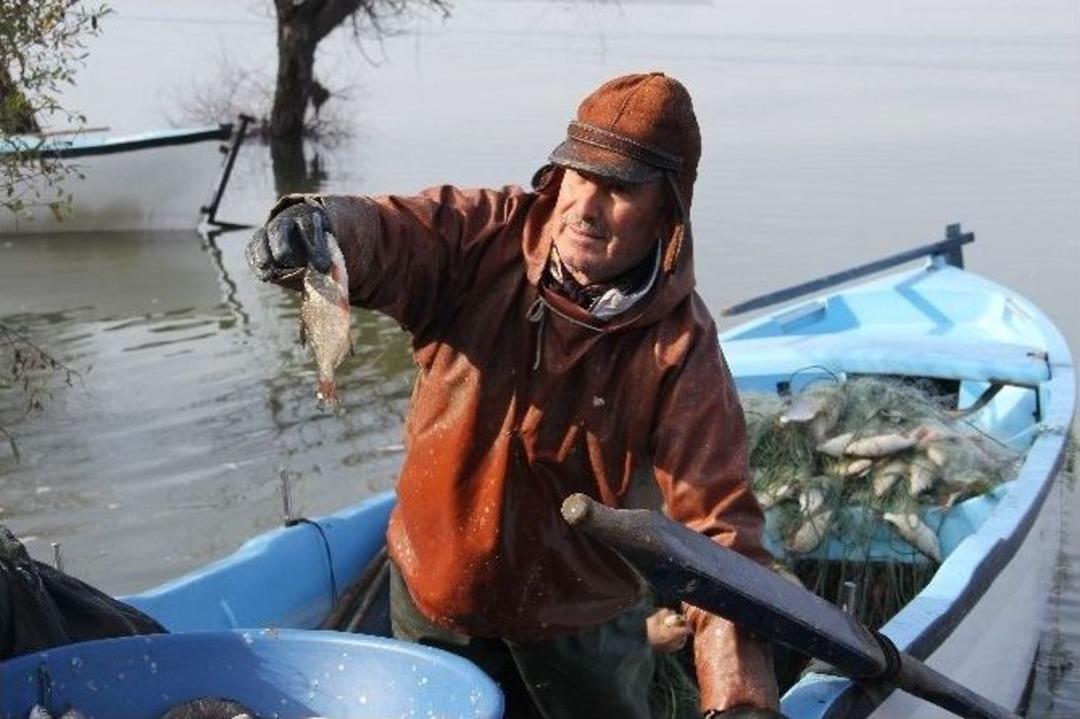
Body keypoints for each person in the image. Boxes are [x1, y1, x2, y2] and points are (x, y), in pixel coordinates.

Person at [247, 72, 781, 718]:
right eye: (578, 174)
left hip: (583, 632)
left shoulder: (682, 351)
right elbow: (387, 235)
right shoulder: (477, 238)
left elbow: (720, 537)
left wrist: (740, 699)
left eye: (617, 189)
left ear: (667, 211)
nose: (585, 204)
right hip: (434, 603)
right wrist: (317, 225)